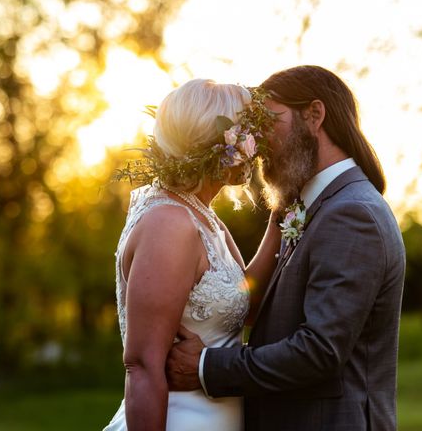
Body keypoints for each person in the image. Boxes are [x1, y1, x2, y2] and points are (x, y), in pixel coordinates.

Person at [166, 65, 406, 431]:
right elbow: (255, 307)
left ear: (314, 115)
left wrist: (205, 367)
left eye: (267, 124)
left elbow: (318, 352)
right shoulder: (315, 207)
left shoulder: (351, 214)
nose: (257, 145)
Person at [104, 79, 282, 430]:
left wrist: (280, 218)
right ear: (218, 143)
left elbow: (245, 304)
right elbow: (142, 365)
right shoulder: (169, 223)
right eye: (249, 134)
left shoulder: (202, 217)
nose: (258, 147)